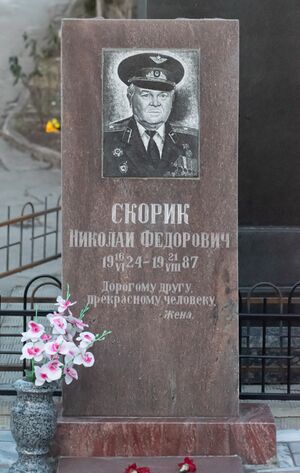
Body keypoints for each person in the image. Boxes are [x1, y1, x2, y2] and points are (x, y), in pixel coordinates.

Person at [103, 52, 198, 178]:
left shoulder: (193, 141)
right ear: (130, 97)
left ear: (172, 100)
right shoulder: (106, 140)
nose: (155, 103)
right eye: (146, 95)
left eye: (163, 96)